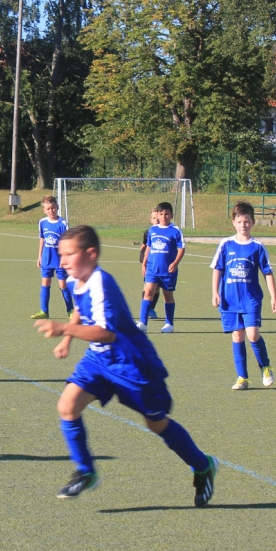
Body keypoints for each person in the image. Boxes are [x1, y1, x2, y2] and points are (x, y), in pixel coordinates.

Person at [34, 225, 217, 505]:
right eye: (61, 255)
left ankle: (203, 466)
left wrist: (63, 329)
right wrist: (67, 339)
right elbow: (80, 310)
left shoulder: (101, 282)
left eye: (69, 254)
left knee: (156, 423)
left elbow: (106, 333)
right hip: (98, 360)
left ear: (90, 254)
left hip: (132, 363)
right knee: (67, 406)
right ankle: (85, 470)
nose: (63, 261)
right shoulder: (74, 280)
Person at [211, 201, 276, 390]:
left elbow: (267, 272)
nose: (243, 225)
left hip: (251, 299)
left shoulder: (257, 246)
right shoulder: (226, 244)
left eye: (247, 221)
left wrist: (273, 297)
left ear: (253, 222)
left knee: (253, 334)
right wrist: (214, 292)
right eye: (240, 221)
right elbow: (217, 269)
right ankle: (242, 377)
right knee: (237, 335)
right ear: (234, 222)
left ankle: (265, 366)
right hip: (230, 299)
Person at [137, 202, 184, 333]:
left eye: (167, 214)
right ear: (157, 215)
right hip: (152, 269)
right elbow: (149, 247)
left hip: (168, 270)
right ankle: (143, 323)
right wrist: (144, 262)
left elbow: (181, 249)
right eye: (161, 214)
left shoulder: (175, 231)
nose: (164, 217)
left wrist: (175, 263)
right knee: (148, 293)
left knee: (167, 296)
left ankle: (169, 324)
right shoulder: (152, 230)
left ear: (171, 215)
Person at [30, 195, 73, 320]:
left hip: (60, 260)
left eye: (53, 208)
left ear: (57, 207)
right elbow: (42, 239)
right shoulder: (42, 222)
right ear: (44, 210)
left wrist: (65, 258)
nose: (51, 211)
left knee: (63, 285)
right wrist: (39, 257)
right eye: (48, 209)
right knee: (45, 284)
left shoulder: (63, 223)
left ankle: (71, 310)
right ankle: (44, 311)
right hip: (46, 259)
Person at [138, 210, 161, 320]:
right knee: (148, 287)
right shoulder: (149, 232)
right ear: (150, 220)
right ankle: (146, 310)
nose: (156, 220)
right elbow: (144, 246)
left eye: (158, 217)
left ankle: (151, 308)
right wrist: (142, 257)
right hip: (150, 264)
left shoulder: (166, 231)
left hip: (161, 263)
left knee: (157, 288)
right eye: (154, 218)